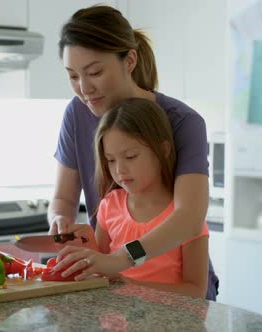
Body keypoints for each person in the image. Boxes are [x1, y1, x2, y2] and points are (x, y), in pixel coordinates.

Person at [47, 4, 219, 300]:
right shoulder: (77, 113)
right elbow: (63, 199)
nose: (84, 88)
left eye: (95, 72)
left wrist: (121, 260)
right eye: (73, 76)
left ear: (129, 60)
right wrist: (60, 220)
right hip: (114, 286)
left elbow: (190, 217)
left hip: (173, 290)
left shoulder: (182, 121)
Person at [69, 98, 209, 298]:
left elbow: (196, 291)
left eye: (131, 156)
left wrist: (133, 286)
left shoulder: (184, 218)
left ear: (163, 150)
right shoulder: (109, 206)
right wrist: (86, 247)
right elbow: (102, 271)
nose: (120, 170)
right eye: (110, 160)